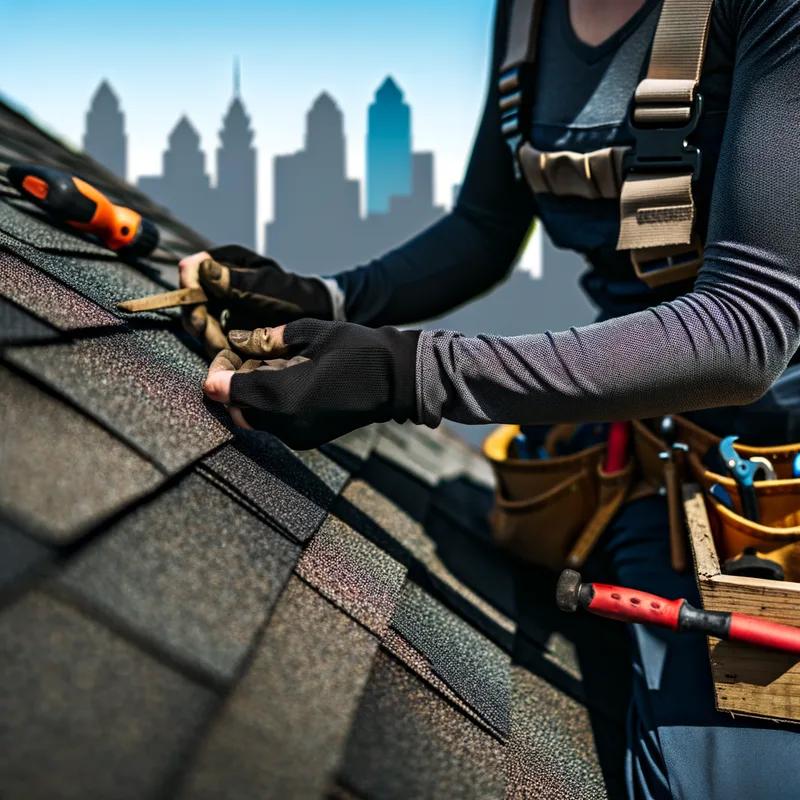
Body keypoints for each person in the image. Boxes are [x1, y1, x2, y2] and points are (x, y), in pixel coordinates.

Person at [180, 1, 800, 797]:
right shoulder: (528, 14)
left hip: (768, 505)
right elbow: (482, 226)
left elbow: (746, 327)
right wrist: (329, 300)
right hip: (627, 454)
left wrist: (410, 374)